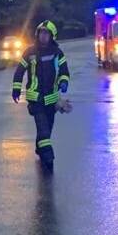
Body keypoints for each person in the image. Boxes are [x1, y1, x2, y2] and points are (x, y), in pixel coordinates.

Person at [11, 20, 70, 170]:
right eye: (41, 33)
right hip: (35, 100)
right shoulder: (29, 52)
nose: (43, 36)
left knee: (47, 131)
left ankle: (40, 148)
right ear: (38, 34)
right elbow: (19, 71)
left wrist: (64, 82)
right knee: (43, 129)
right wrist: (16, 89)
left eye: (46, 33)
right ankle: (48, 158)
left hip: (52, 101)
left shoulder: (58, 53)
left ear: (52, 36)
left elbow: (64, 71)